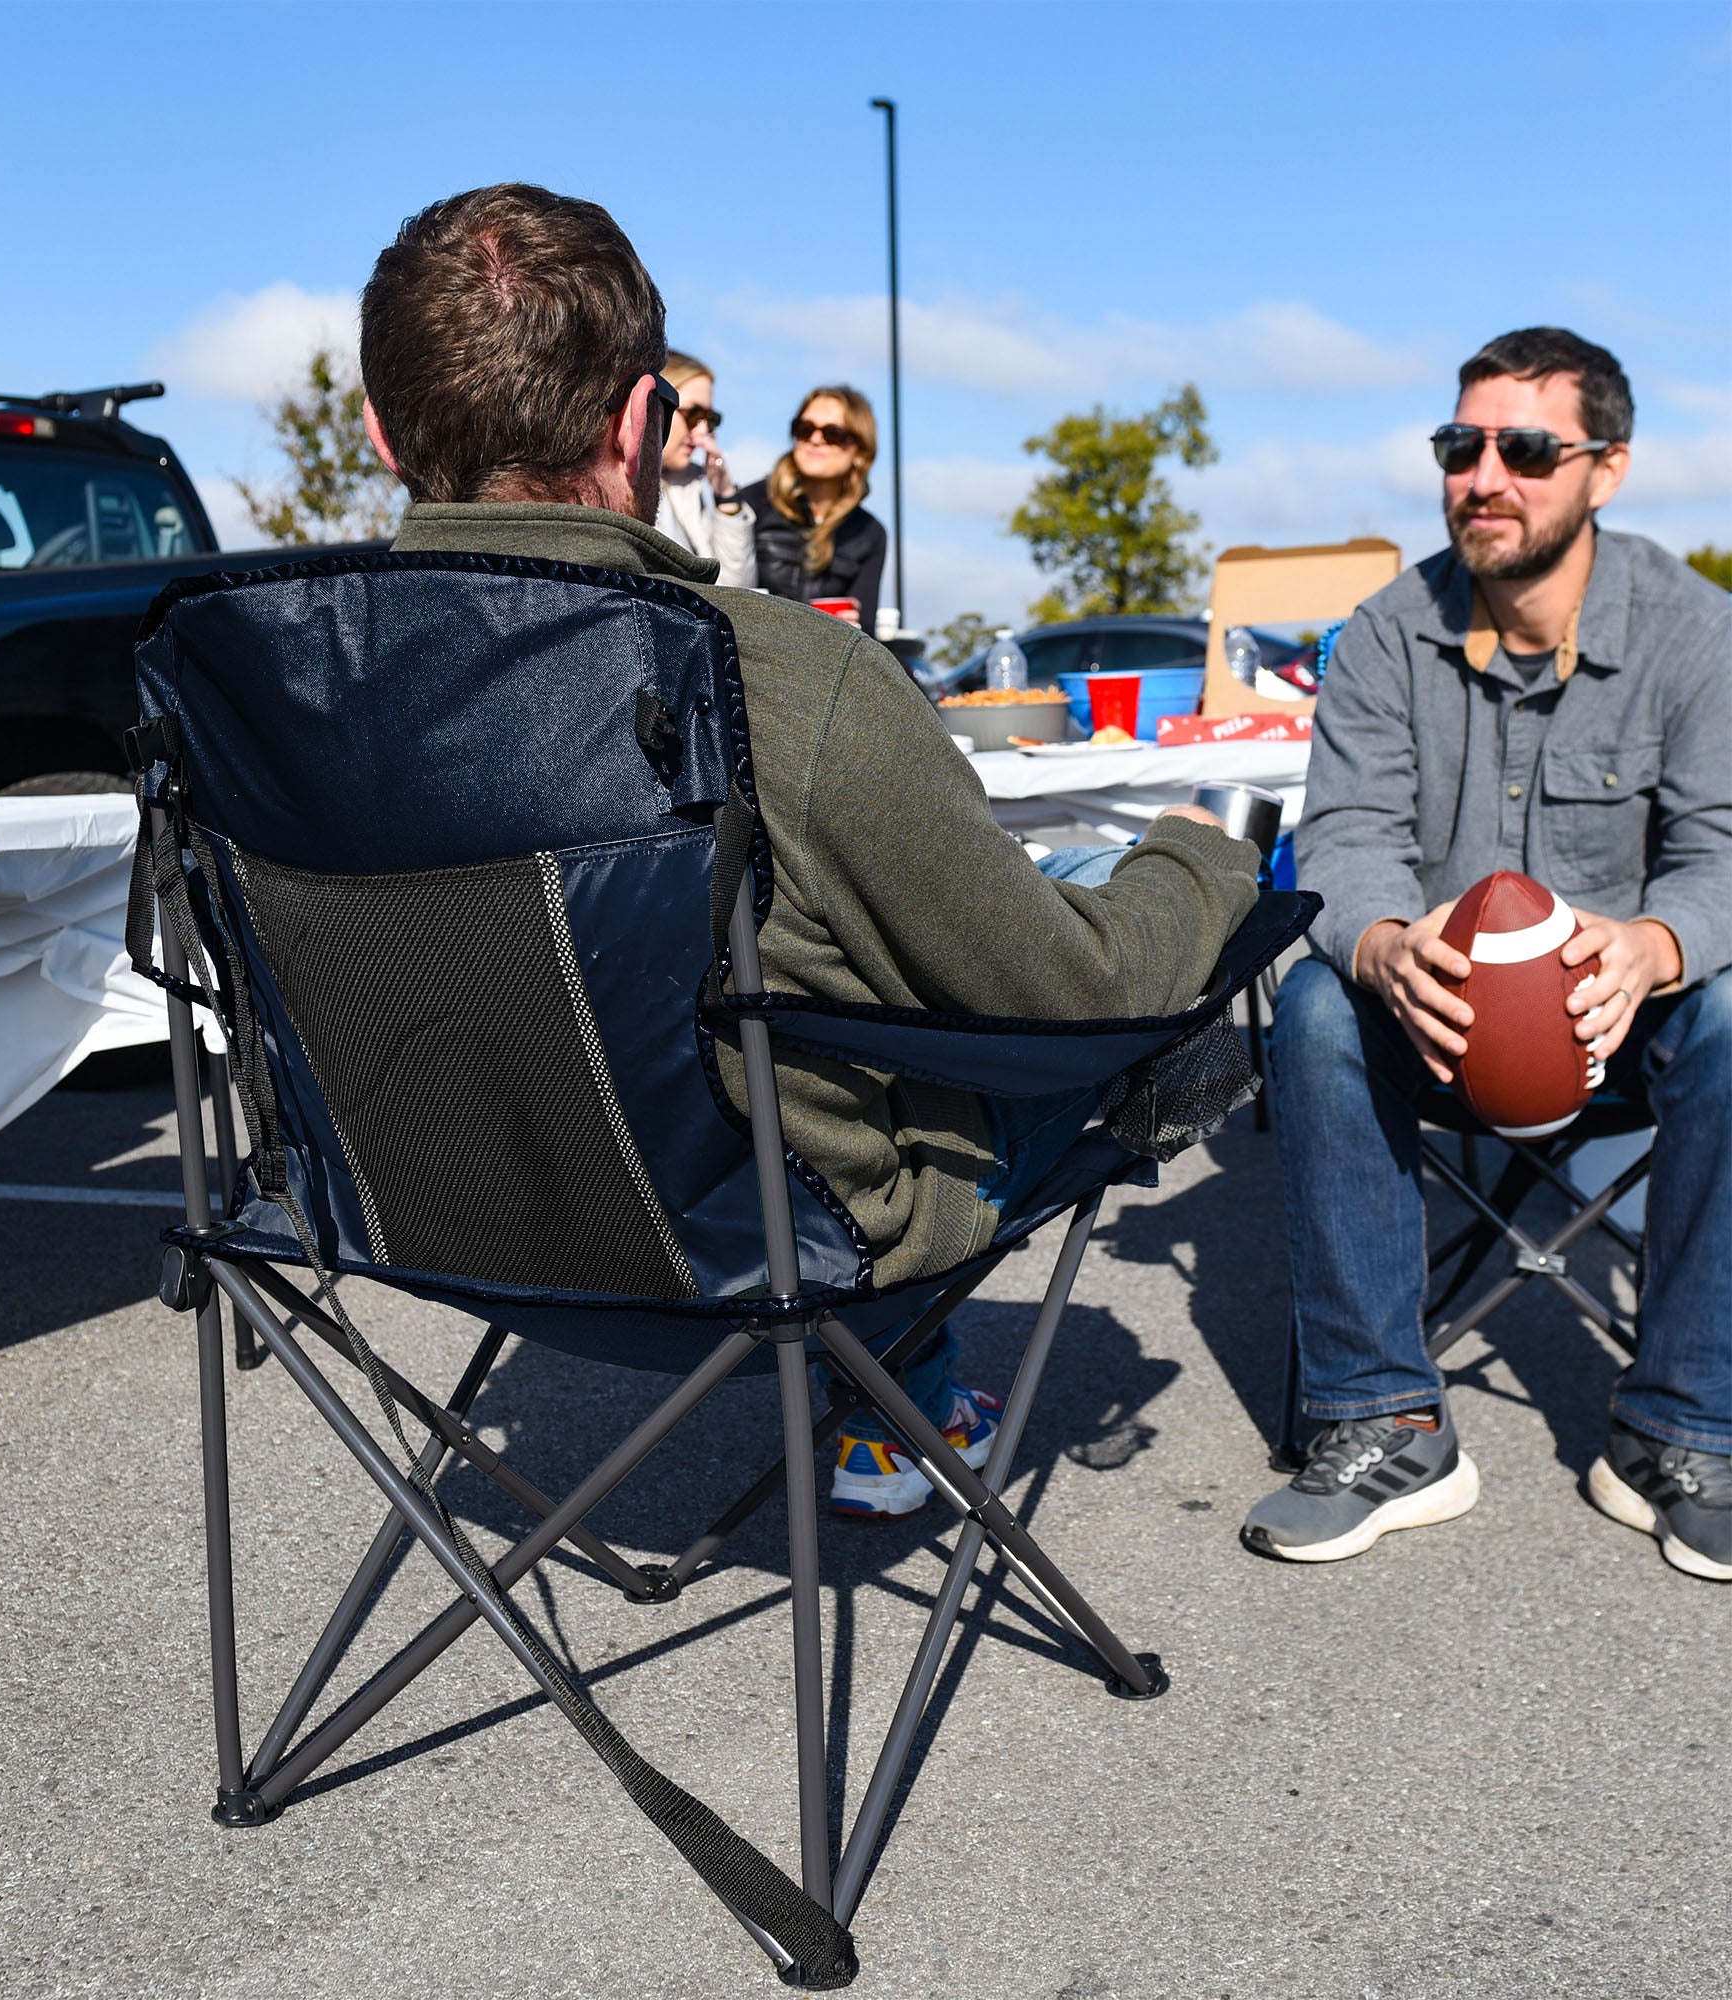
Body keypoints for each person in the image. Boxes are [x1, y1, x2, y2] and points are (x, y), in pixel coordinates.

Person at [357, 184, 1261, 1517]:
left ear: (380, 433)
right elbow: (1065, 994)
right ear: (639, 422)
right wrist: (1201, 865)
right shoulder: (778, 677)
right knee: (1119, 949)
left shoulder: (286, 690)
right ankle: (899, 1399)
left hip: (425, 1214)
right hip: (763, 1241)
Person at [1245, 327, 1732, 1581]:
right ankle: (1382, 1419)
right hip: (1437, 1020)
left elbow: (1722, 849)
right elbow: (1342, 833)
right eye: (1461, 446)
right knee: (1312, 1000)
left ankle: (1682, 1428)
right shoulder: (1385, 631)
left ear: (1604, 469)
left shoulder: (1691, 631)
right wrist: (1384, 940)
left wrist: (1655, 943)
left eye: (1523, 448)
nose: (1483, 476)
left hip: (1620, 1022)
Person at [740, 386, 886, 632]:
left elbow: (867, 631)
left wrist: (851, 627)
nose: (815, 439)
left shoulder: (869, 532)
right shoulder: (751, 503)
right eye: (805, 429)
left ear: (860, 453)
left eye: (833, 434)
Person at [653, 350, 756, 586]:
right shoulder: (616, 482)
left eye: (709, 419)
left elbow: (737, 592)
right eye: (693, 415)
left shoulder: (694, 486)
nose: (702, 433)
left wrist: (726, 496)